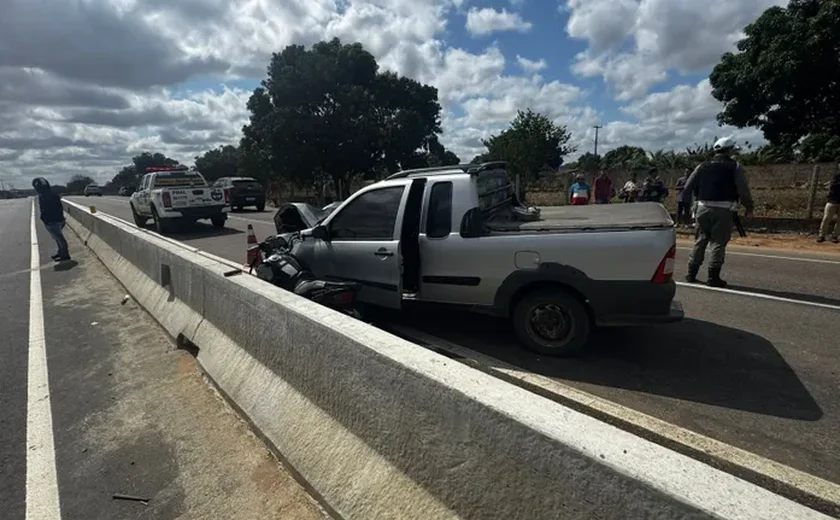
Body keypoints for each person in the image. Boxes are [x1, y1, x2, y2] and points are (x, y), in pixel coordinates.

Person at [682, 136, 754, 287]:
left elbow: (687, 188)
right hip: (723, 209)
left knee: (701, 240)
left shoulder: (702, 166)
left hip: (702, 208)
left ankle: (691, 273)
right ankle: (713, 277)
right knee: (718, 242)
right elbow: (743, 190)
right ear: (729, 150)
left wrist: (690, 207)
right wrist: (749, 207)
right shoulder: (735, 167)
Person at [32, 177, 70, 261]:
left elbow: (46, 209)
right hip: (56, 220)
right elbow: (59, 208)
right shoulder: (52, 195)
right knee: (57, 238)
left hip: (52, 221)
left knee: (59, 238)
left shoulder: (44, 196)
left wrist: (44, 218)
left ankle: (65, 255)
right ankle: (61, 252)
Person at [817, 169, 840, 243]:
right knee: (826, 218)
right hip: (832, 201)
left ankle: (835, 236)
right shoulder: (836, 177)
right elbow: (833, 186)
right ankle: (821, 235)